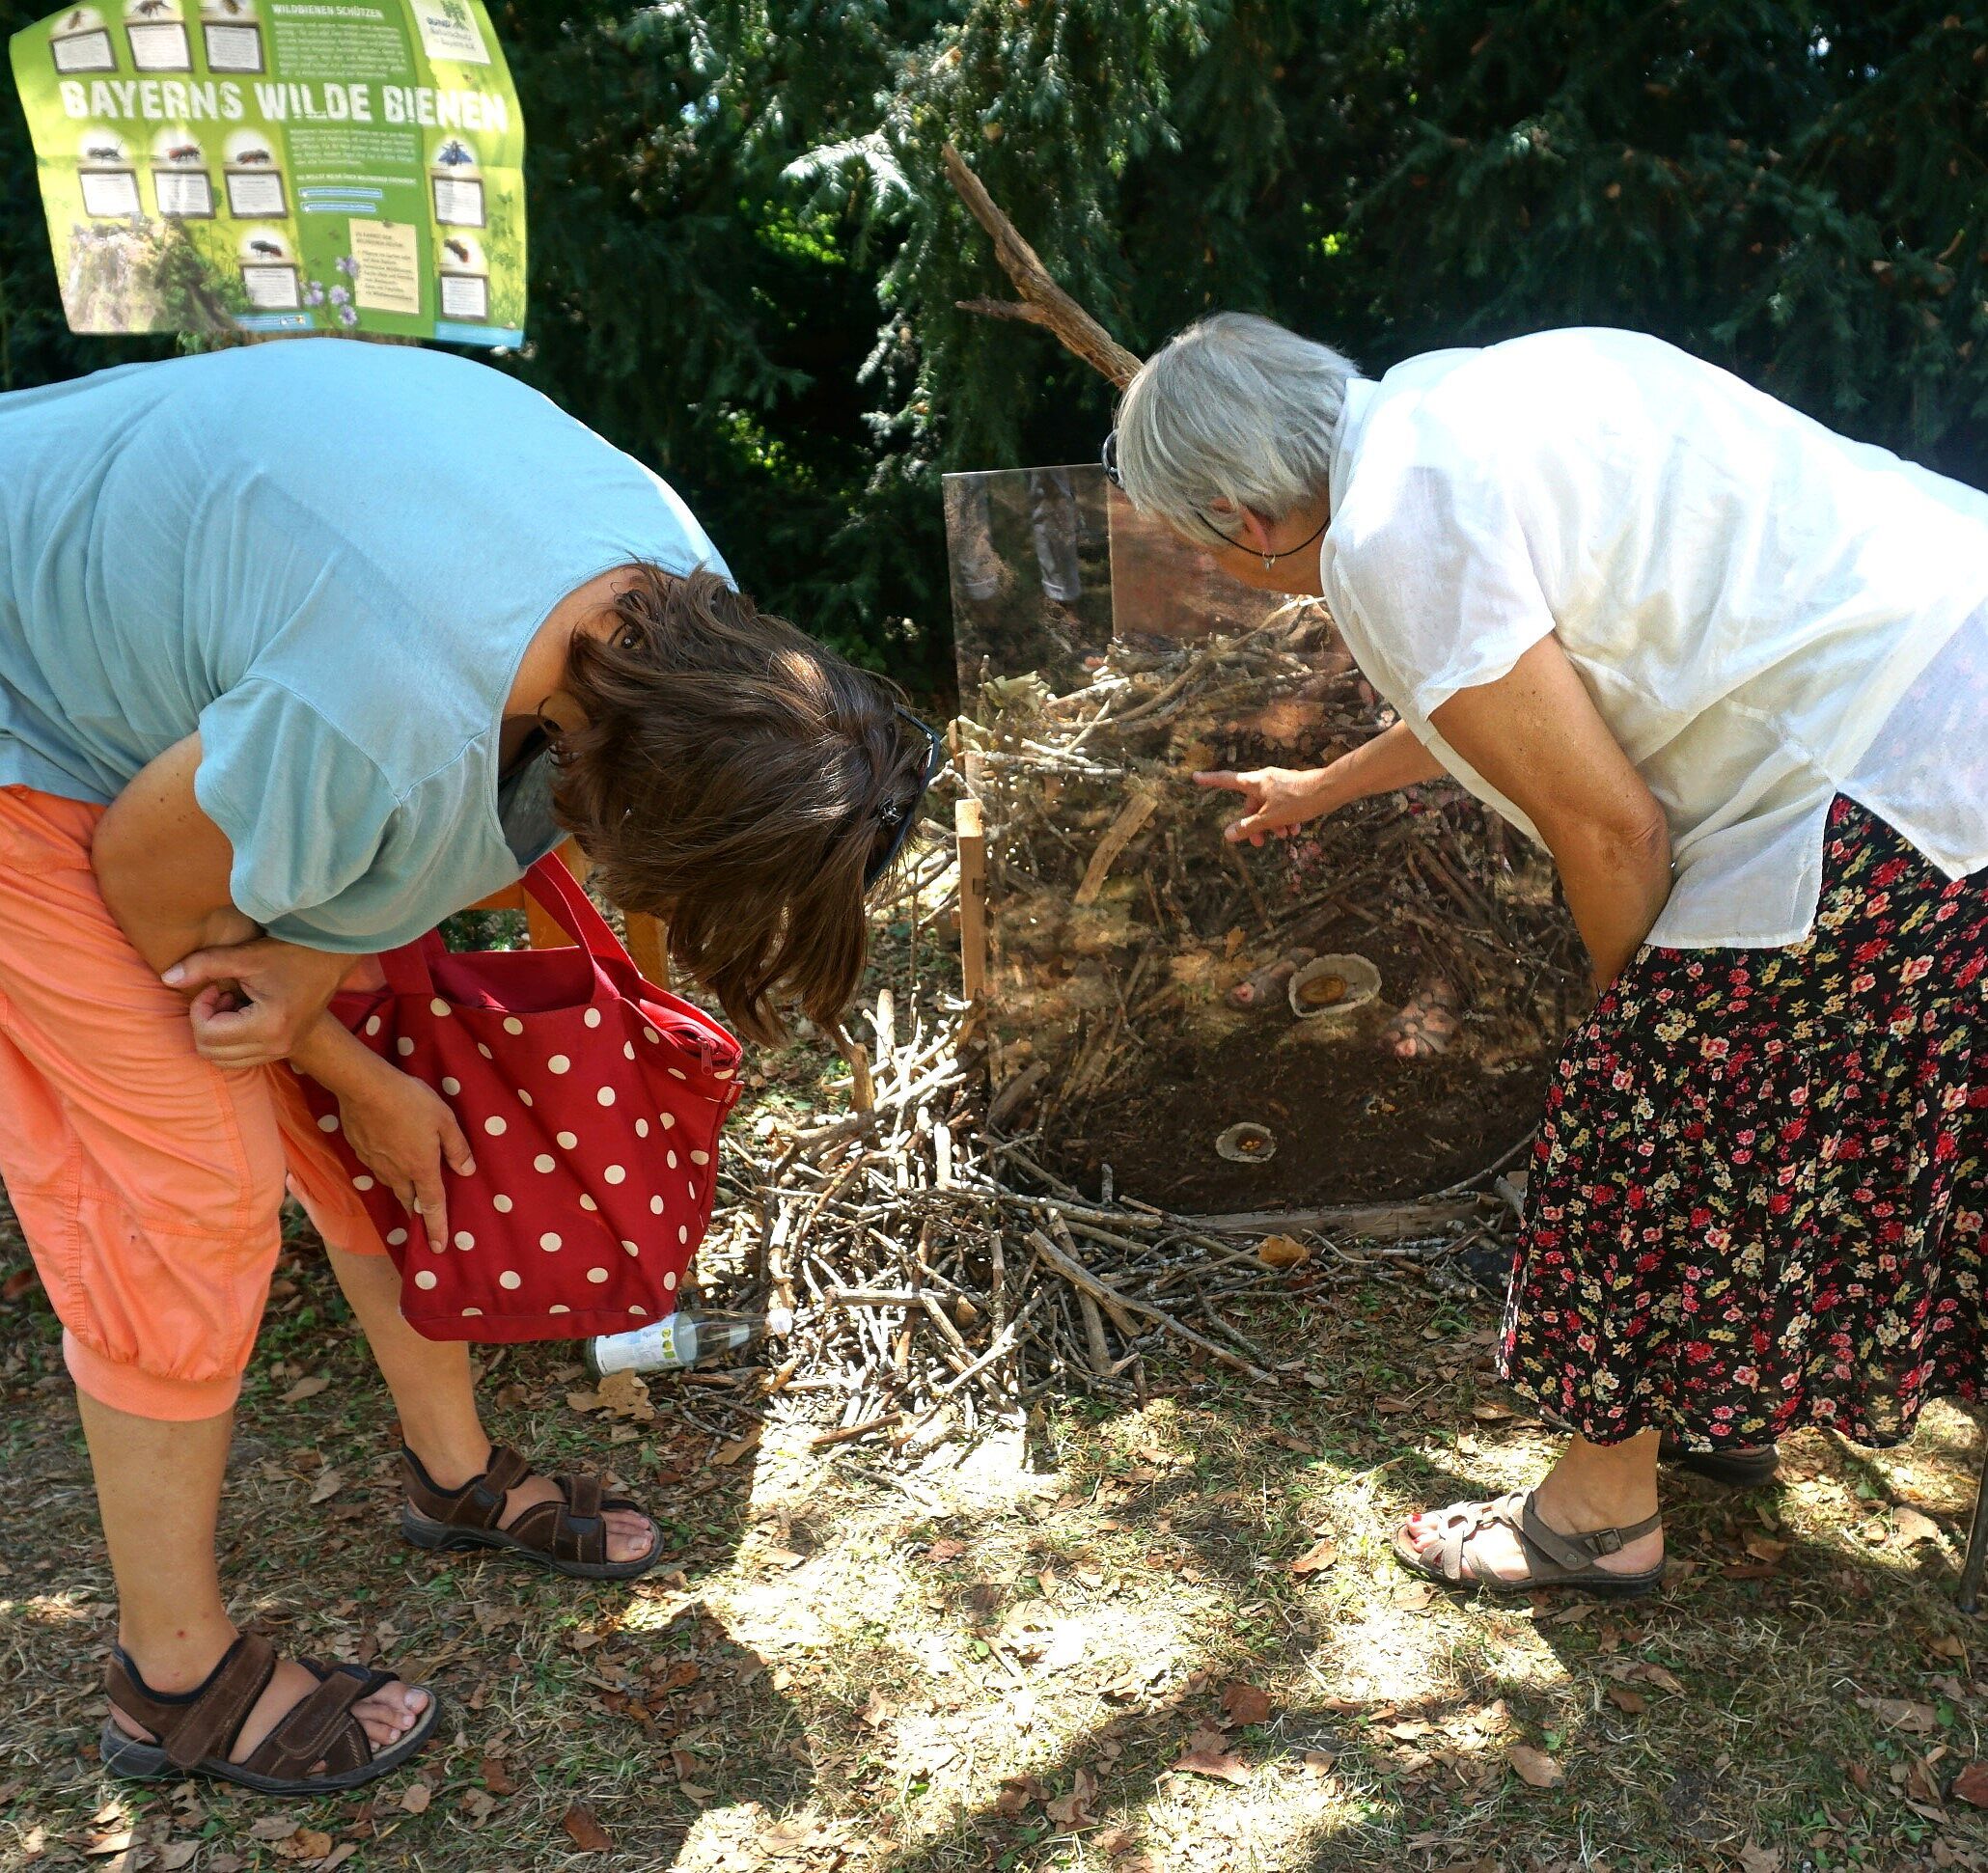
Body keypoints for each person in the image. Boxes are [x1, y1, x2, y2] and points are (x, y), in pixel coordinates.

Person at [0, 339, 934, 1789]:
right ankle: (168, 1680)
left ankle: (454, 1475)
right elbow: (148, 888)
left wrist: (327, 988)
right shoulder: (383, 721)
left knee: (378, 1093)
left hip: (217, 682)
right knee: (191, 1194)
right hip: (32, 730)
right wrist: (326, 1035)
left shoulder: (681, 592)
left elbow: (376, 836)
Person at [1108, 313, 1987, 1597]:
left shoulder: (1389, 529)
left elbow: (1609, 824)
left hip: (1879, 761)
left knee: (1637, 1119)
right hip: (1953, 657)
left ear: (1243, 517)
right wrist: (1326, 784)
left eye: (1202, 547)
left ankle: (1597, 1512)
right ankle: (1722, 1400)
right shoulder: (1443, 404)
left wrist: (1625, 1032)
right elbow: (1518, 685)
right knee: (1931, 1110)